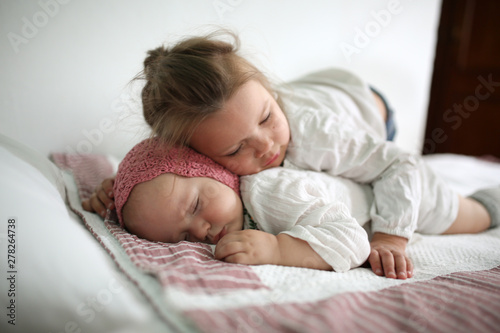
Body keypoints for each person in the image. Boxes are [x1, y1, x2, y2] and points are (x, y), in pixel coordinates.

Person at [83, 30, 500, 279]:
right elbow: (162, 174)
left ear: (266, 87)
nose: (265, 147)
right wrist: (120, 189)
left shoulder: (316, 135)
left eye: (266, 118)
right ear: (198, 157)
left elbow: (398, 162)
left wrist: (391, 235)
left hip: (363, 108)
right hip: (296, 97)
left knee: (451, 212)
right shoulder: (203, 146)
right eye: (233, 149)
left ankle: (489, 202)